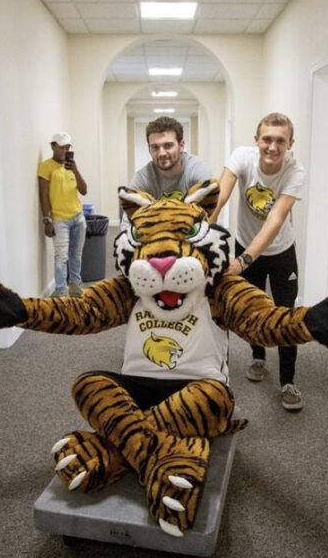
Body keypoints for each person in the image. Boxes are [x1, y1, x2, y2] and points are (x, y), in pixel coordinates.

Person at [209, 113, 308, 411]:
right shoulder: (242, 157)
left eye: (280, 141)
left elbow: (275, 221)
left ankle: (288, 381)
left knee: (285, 314)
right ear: (257, 141)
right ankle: (258, 357)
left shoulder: (295, 171)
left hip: (280, 251)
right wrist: (202, 231)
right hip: (244, 242)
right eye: (267, 139)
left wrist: (242, 261)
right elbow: (219, 197)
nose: (272, 146)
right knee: (252, 310)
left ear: (290, 144)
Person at [121, 116, 212, 229]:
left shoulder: (197, 170)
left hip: (189, 234)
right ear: (149, 149)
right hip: (155, 235)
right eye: (155, 147)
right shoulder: (142, 178)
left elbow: (208, 217)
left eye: (168, 145)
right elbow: (128, 221)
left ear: (181, 145)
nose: (162, 153)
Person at [37, 132, 88, 297]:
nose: (65, 150)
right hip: (60, 220)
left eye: (68, 147)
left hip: (78, 217)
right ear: (53, 146)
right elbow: (43, 195)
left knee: (76, 255)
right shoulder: (46, 167)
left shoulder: (71, 166)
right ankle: (61, 291)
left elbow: (84, 190)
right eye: (62, 147)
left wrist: (76, 170)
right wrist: (47, 220)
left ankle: (75, 285)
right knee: (61, 257)